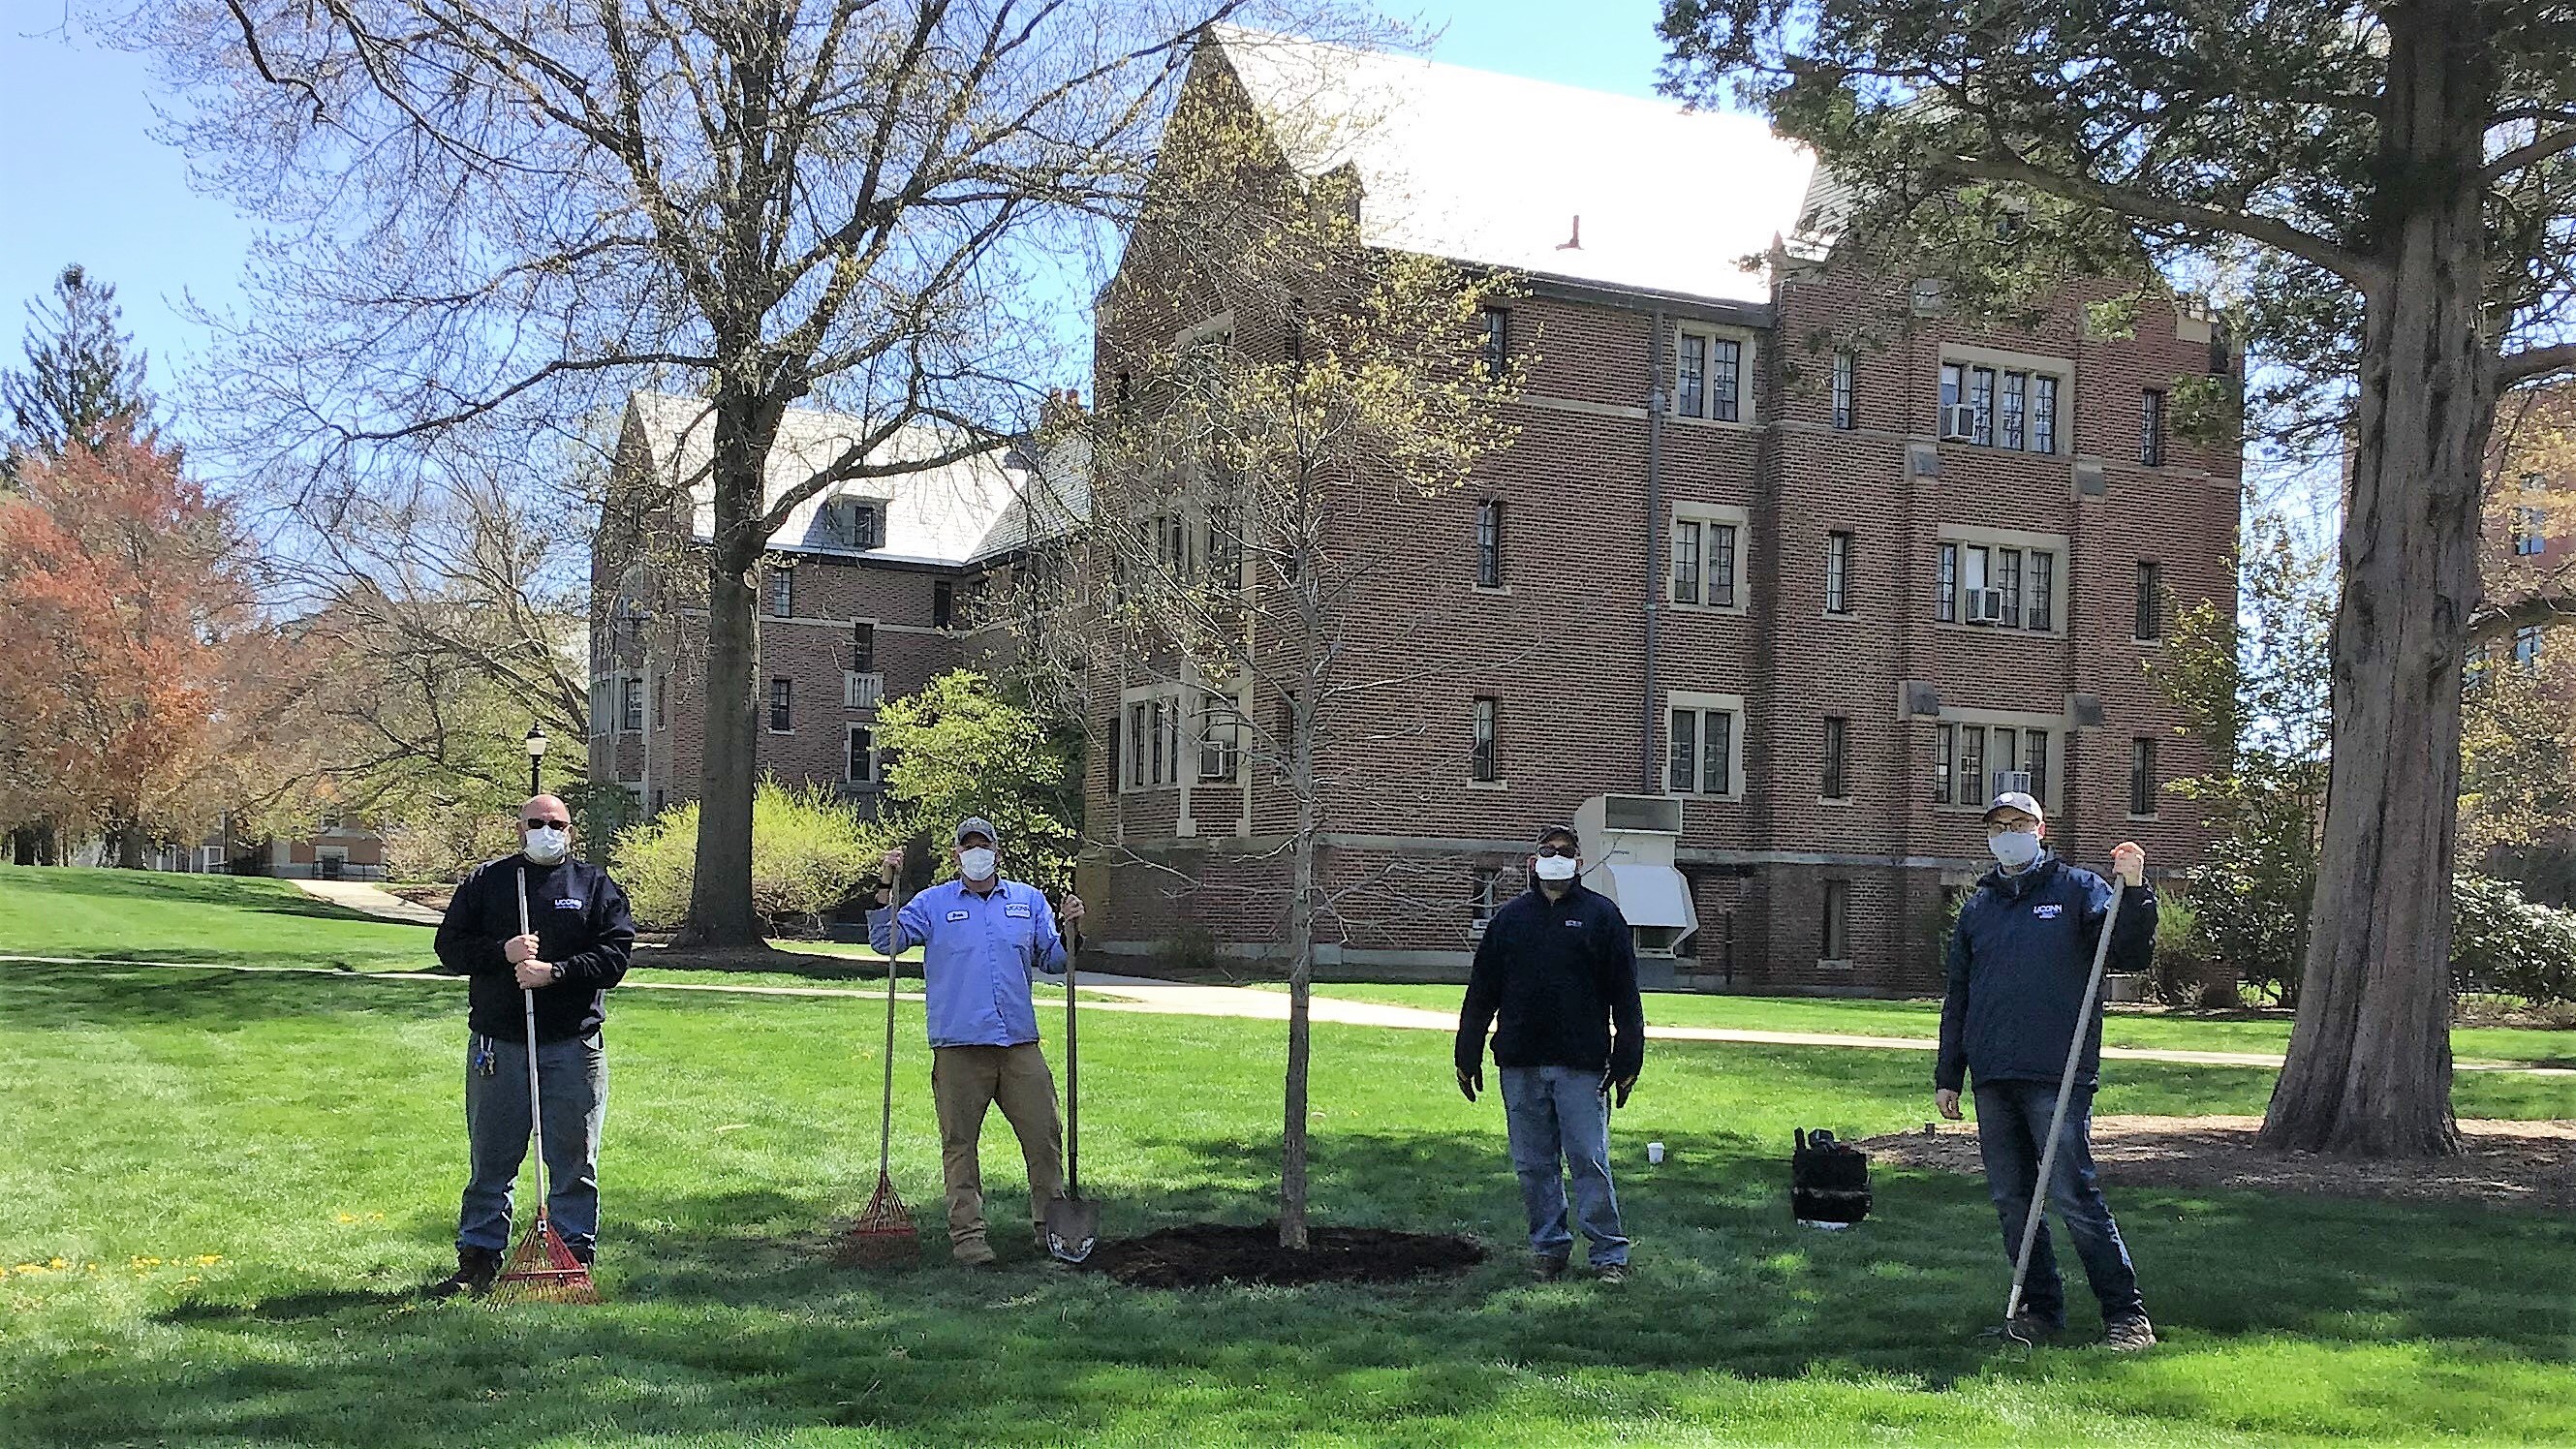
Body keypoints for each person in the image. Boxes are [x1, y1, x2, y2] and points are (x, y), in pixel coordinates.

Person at [1935, 790, 2158, 1349]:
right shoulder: (1980, 906)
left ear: (2040, 827)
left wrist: (2134, 889)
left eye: (2018, 823)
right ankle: (2039, 1311)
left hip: (2057, 1068)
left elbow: (2126, 953)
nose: (2007, 833)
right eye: (1998, 825)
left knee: (2072, 1193)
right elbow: (1959, 993)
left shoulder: (2078, 890)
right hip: (1993, 1072)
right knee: (2014, 1201)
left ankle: (2126, 1317)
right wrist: (1949, 1072)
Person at [426, 794, 635, 1297]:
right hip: (499, 1045)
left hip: (573, 1046)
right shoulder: (488, 883)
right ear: (519, 829)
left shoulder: (594, 887)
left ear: (571, 830)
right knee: (491, 1159)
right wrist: (503, 952)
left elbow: (615, 956)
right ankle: (478, 1258)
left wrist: (554, 973)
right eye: (536, 823)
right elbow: (449, 948)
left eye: (556, 823)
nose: (547, 830)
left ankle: (572, 1257)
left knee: (573, 1160)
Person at [870, 817, 1084, 1266]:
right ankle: (969, 1238)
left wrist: (1072, 928)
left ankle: (1053, 1232)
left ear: (997, 851)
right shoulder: (933, 903)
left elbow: (1054, 958)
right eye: (968, 847)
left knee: (1045, 1138)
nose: (977, 853)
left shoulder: (1027, 901)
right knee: (960, 1145)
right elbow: (886, 942)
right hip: (959, 1048)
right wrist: (886, 884)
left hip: (1019, 1045)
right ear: (956, 856)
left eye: (983, 845)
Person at [1454, 824, 1645, 1282]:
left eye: (1565, 852)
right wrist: (1467, 1052)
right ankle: (1549, 1247)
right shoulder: (1509, 920)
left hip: (1582, 1064)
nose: (1556, 858)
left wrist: (1628, 1058)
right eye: (1548, 851)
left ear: (1579, 862)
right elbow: (1482, 992)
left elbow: (1625, 993)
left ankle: (1608, 1255)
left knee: (1589, 1160)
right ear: (1532, 861)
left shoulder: (1603, 917)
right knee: (1533, 1164)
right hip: (1520, 1062)